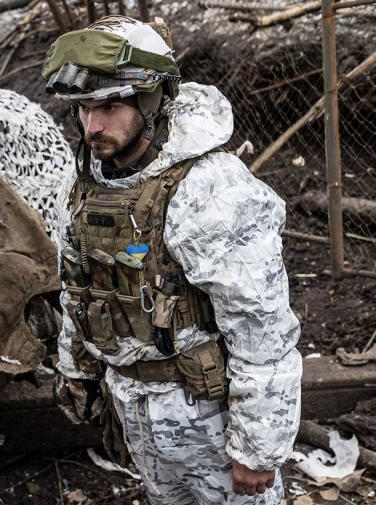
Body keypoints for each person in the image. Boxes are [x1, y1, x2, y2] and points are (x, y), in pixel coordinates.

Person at [44, 15, 301, 504]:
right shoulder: (83, 185)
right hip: (134, 406)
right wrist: (76, 369)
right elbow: (78, 283)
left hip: (209, 416)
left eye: (110, 106)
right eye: (82, 109)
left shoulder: (209, 188)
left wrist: (257, 447)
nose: (93, 126)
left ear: (150, 98)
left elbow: (261, 327)